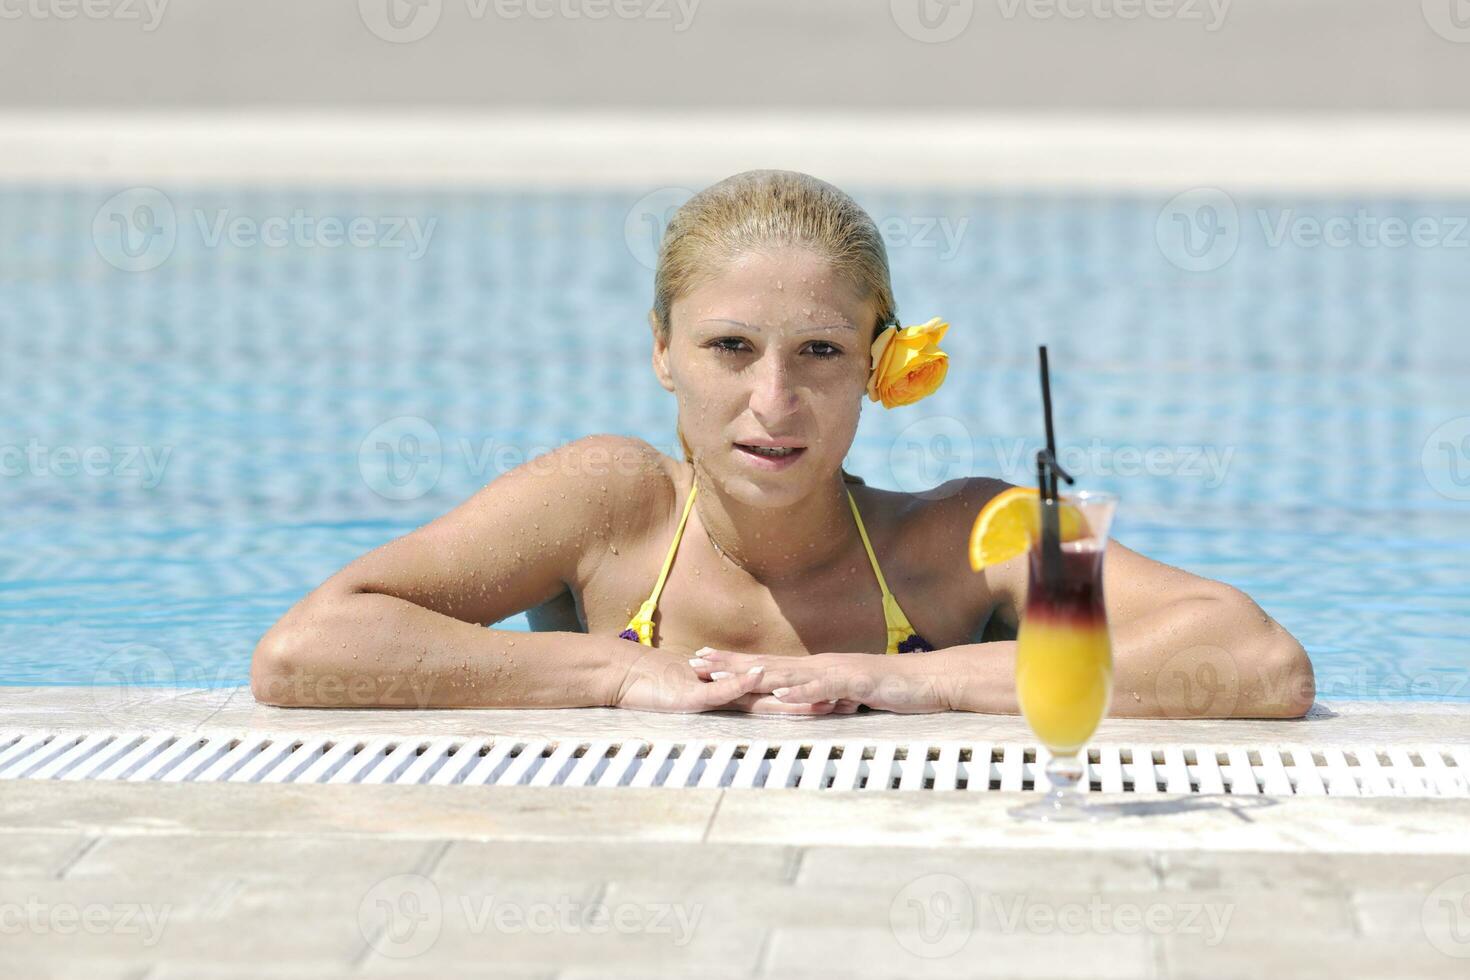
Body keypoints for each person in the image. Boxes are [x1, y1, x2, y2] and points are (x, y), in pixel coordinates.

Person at [250, 169, 1315, 717]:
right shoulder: (609, 504)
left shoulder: (964, 534)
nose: (774, 400)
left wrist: (917, 682)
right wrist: (614, 677)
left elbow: (1258, 663)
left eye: (817, 349)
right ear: (661, 350)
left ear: (877, 366)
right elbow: (307, 650)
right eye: (728, 347)